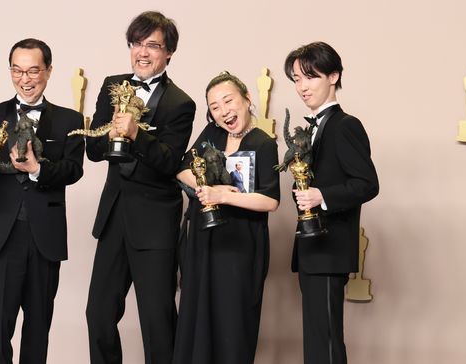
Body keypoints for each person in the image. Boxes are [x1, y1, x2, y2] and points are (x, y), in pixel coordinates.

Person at [0, 38, 85, 363]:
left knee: (38, 330)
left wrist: (39, 169)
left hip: (46, 238)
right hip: (2, 237)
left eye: (33, 71)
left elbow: (73, 170)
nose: (25, 79)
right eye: (17, 71)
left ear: (49, 71)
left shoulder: (70, 120)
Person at [84, 11, 195, 364]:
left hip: (155, 224)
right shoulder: (111, 84)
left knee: (157, 322)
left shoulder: (181, 103)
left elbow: (169, 162)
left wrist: (136, 134)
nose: (142, 52)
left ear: (169, 53)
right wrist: (113, 137)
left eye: (152, 45)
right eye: (136, 44)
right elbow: (93, 149)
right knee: (98, 314)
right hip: (115, 217)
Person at [174, 71, 280, 364]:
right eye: (215, 106)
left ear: (247, 100)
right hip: (202, 242)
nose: (223, 111)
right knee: (196, 318)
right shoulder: (212, 135)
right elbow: (182, 169)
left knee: (233, 324)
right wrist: (205, 187)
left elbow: (271, 200)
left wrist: (224, 196)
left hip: (239, 246)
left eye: (228, 101)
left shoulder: (263, 143)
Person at [284, 42, 379, 364]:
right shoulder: (310, 129)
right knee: (316, 340)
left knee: (325, 342)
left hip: (329, 249)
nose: (302, 86)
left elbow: (367, 184)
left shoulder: (344, 125)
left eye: (310, 77)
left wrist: (322, 196)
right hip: (312, 248)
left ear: (334, 76)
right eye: (296, 78)